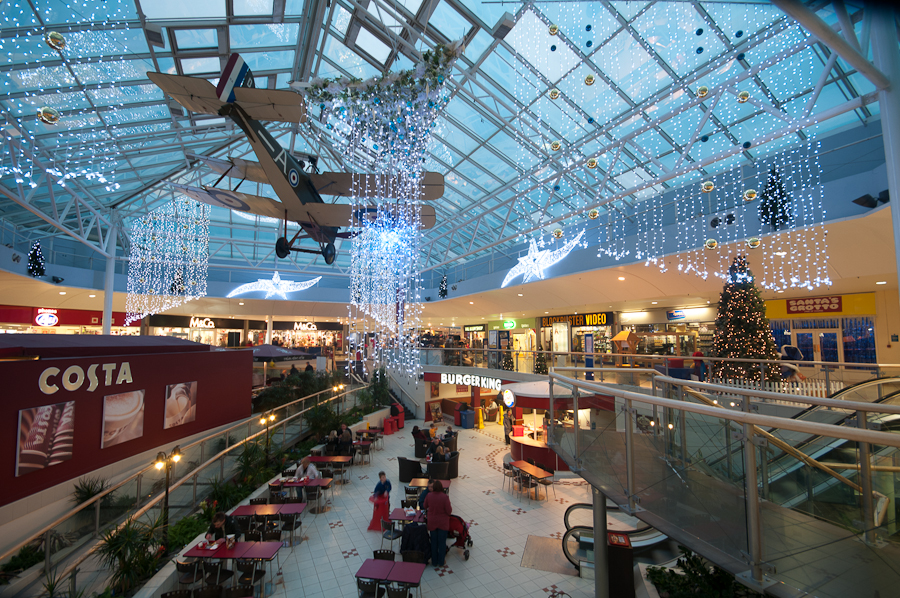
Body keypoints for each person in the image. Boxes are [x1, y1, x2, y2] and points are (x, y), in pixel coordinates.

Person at [422, 480, 452, 566]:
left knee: (434, 542)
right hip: (443, 523)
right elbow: (449, 511)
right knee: (442, 543)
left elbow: (424, 506)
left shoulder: (429, 495)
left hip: (432, 522)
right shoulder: (445, 497)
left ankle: (434, 562)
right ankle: (441, 561)